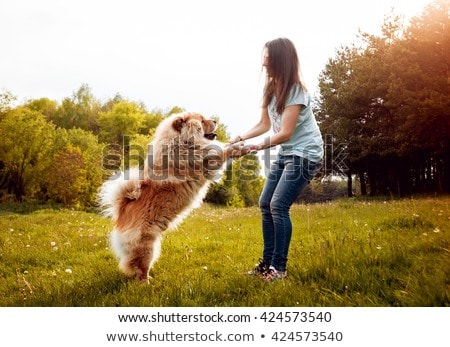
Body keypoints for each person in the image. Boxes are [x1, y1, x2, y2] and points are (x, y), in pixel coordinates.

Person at [230, 37, 323, 281]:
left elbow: (285, 133)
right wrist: (239, 137)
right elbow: (264, 124)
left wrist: (251, 147)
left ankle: (278, 269)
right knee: (265, 203)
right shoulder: (270, 88)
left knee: (278, 205)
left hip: (306, 153)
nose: (264, 63)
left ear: (281, 60)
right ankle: (266, 264)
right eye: (264, 57)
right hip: (287, 152)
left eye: (268, 58)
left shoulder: (297, 91)